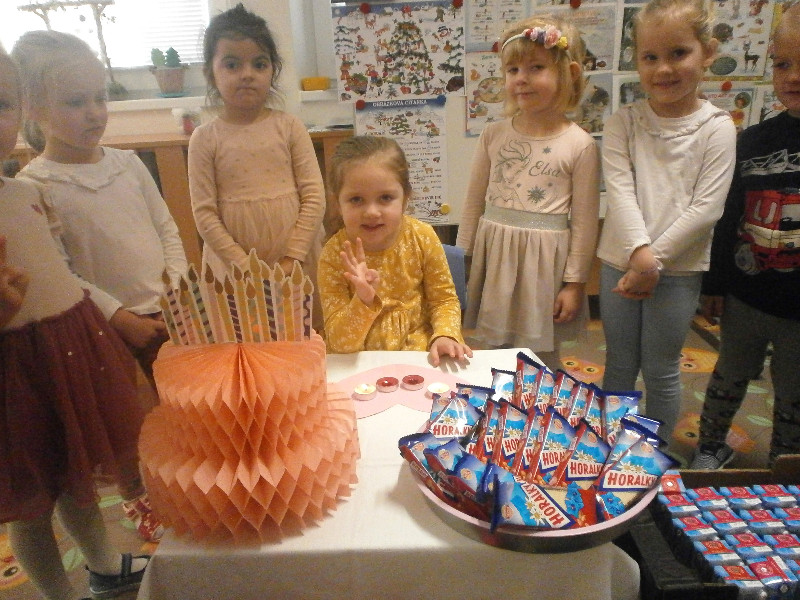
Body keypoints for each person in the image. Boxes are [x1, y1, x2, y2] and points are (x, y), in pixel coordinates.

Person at [12, 30, 186, 542]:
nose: (94, 113)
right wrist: (117, 316)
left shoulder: (128, 165)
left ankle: (182, 481)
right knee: (125, 424)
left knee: (178, 408)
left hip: (166, 311)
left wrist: (177, 285)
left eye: (99, 98)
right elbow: (61, 270)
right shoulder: (37, 186)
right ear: (34, 107)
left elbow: (166, 228)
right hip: (100, 329)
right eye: (75, 102)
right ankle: (138, 495)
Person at [0, 47, 149, 600]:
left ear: (21, 108)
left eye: (0, 103)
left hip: (69, 352)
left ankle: (105, 566)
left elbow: (60, 270)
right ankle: (57, 594)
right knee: (32, 502)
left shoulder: (26, 192)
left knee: (76, 479)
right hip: (14, 376)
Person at [596, 0, 736, 444]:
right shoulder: (623, 122)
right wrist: (640, 257)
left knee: (661, 369)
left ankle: (651, 452)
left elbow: (707, 208)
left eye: (678, 53)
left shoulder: (717, 127)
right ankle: (611, 448)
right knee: (620, 362)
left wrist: (652, 261)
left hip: (678, 271)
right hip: (620, 261)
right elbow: (620, 191)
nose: (663, 69)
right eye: (650, 57)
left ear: (707, 52)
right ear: (636, 61)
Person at [456, 16, 600, 371]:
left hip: (544, 267)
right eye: (513, 69)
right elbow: (473, 203)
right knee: (491, 350)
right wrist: (460, 263)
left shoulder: (580, 144)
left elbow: (584, 223)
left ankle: (540, 402)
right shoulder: (493, 134)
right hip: (496, 257)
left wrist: (574, 283)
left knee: (540, 357)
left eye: (536, 67)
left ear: (569, 74)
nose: (521, 78)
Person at [690, 4, 800, 469]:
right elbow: (726, 216)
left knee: (793, 391)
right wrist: (714, 284)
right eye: (783, 63)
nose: (793, 76)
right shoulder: (752, 141)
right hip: (747, 296)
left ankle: (785, 463)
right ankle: (710, 445)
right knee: (728, 376)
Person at [188, 3, 325, 328]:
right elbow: (205, 214)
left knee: (303, 335)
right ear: (210, 73)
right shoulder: (204, 138)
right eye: (232, 64)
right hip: (234, 270)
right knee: (246, 340)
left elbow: (314, 196)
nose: (247, 73)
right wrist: (244, 266)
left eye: (259, 63)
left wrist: (293, 256)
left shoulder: (289, 127)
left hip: (298, 262)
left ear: (272, 70)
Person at [318, 135, 472, 367]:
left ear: (405, 198)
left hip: (420, 356)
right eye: (356, 199)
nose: (371, 211)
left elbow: (444, 300)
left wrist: (445, 335)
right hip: (359, 363)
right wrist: (363, 301)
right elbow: (340, 345)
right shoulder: (333, 255)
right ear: (338, 203)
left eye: (385, 198)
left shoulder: (423, 237)